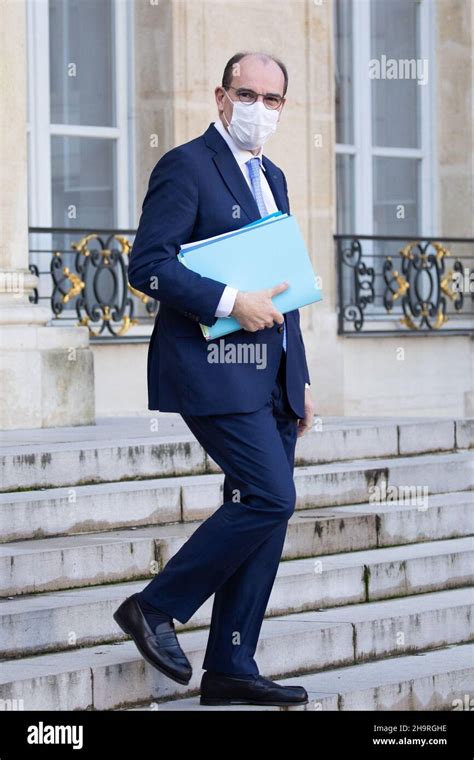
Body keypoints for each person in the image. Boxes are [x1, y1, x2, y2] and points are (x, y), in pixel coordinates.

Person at [114, 51, 314, 707]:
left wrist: (301, 377)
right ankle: (155, 606)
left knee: (262, 513)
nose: (260, 108)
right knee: (269, 495)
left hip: (272, 374)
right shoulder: (186, 166)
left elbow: (284, 283)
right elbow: (149, 266)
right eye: (247, 93)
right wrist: (230, 301)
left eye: (273, 98)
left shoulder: (275, 176)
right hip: (212, 368)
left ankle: (231, 663)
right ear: (222, 96)